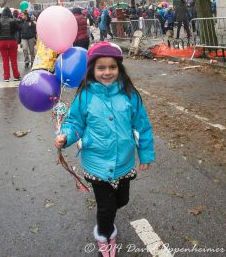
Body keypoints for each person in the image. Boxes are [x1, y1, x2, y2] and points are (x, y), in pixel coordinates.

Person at [54, 41, 155, 257]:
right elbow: (75, 123)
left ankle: (106, 220)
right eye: (101, 68)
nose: (107, 72)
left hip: (124, 163)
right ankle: (104, 233)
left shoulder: (129, 94)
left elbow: (142, 125)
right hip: (97, 164)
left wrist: (145, 154)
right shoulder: (85, 95)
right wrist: (66, 136)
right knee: (106, 208)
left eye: (112, 67)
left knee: (122, 200)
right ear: (92, 69)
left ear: (120, 68)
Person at [0, 7, 21, 82]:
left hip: (2, 42)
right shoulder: (13, 21)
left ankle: (6, 77)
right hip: (12, 41)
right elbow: (19, 29)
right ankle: (16, 76)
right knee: (13, 60)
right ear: (10, 14)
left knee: (5, 60)